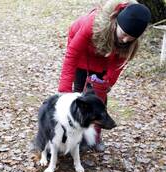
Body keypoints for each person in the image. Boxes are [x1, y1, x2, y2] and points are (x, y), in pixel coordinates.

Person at [58, 0, 151, 151]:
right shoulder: (92, 23)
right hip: (83, 54)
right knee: (80, 96)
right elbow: (72, 54)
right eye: (125, 34)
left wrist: (106, 83)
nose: (126, 39)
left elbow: (117, 65)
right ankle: (76, 135)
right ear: (116, 22)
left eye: (132, 38)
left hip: (104, 58)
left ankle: (94, 136)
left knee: (99, 99)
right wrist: (64, 90)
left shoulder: (127, 43)